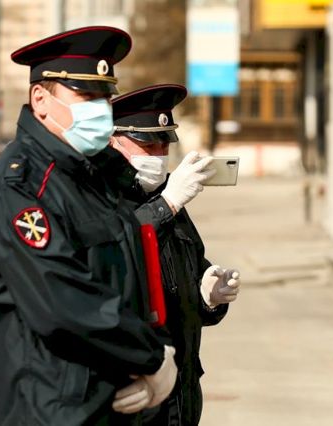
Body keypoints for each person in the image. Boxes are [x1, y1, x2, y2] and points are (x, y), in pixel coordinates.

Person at [0, 27, 177, 425]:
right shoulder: (21, 189)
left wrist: (142, 361)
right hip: (36, 410)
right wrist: (151, 357)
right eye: (86, 97)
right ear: (40, 100)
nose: (101, 110)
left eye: (105, 97)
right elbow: (63, 302)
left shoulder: (89, 178)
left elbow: (121, 282)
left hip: (89, 404)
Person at [90, 84, 241, 425]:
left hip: (182, 394)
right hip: (136, 394)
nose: (158, 154)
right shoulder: (100, 198)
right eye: (147, 144)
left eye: (164, 144)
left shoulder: (168, 196)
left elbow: (187, 273)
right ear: (113, 141)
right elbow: (117, 249)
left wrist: (209, 296)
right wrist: (166, 204)